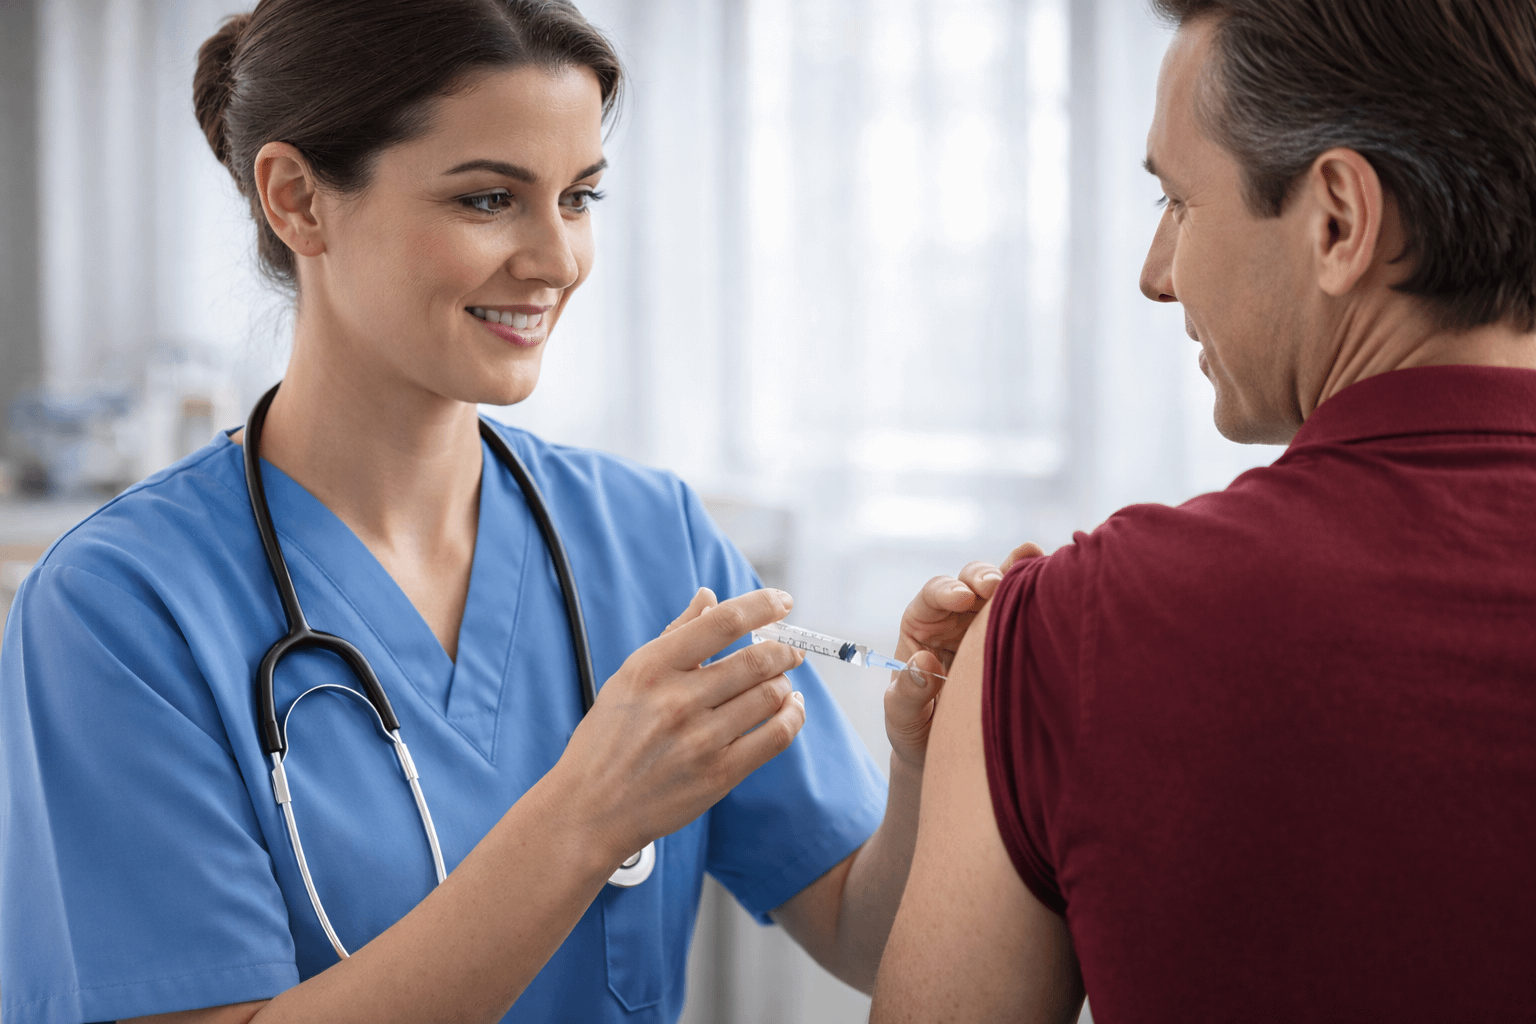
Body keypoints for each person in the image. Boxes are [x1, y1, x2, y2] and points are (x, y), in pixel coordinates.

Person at [0, 2, 1019, 1022]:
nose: (558, 259)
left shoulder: (652, 539)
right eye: (489, 199)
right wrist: (586, 818)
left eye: (578, 197)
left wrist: (934, 763)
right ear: (298, 199)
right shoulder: (118, 610)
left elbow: (868, 932)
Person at [871, 0, 1536, 1020]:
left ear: (1339, 222)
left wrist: (1010, 700)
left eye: (1179, 203)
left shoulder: (1066, 631)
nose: (1155, 275)